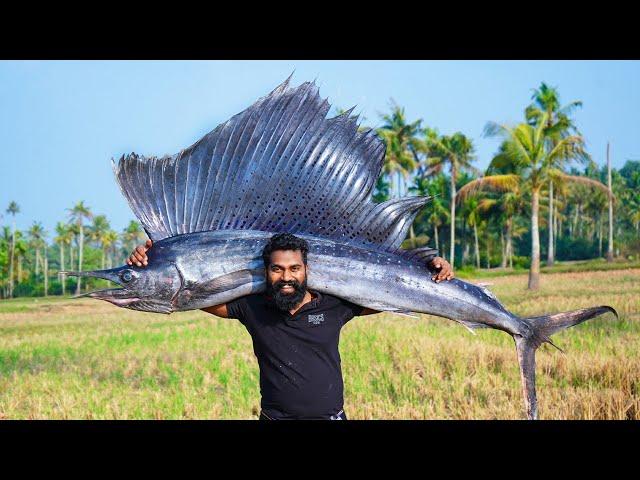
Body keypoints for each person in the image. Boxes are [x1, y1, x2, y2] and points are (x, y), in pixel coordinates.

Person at [127, 233, 453, 420]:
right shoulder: (252, 307)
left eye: (294, 268)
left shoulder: (335, 304)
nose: (286, 277)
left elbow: (399, 295)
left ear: (306, 270)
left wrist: (432, 269)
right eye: (277, 269)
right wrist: (153, 258)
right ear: (266, 271)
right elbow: (183, 295)